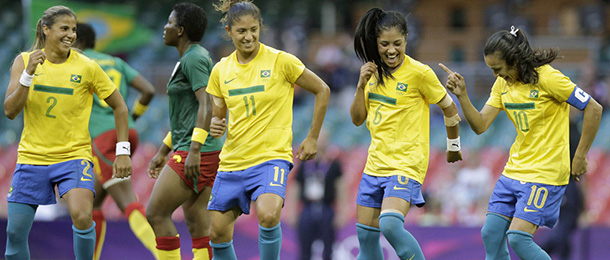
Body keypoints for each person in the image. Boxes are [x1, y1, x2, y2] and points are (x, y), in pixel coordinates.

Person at [440, 26, 603, 260]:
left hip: (544, 174)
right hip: (514, 170)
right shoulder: (502, 84)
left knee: (518, 238)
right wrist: (463, 95)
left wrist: (579, 156)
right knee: (491, 234)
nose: (496, 75)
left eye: (498, 69)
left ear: (515, 60)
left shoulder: (548, 78)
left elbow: (593, 107)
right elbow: (480, 125)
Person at [3, 5, 132, 260]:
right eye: (64, 28)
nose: (71, 35)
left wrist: (123, 152)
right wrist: (28, 76)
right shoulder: (24, 62)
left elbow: (120, 107)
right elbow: (10, 110)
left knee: (83, 216)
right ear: (46, 29)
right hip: (32, 158)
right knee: (15, 234)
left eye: (73, 30)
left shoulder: (87, 66)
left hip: (73, 157)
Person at [206, 1, 331, 259]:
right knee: (217, 233)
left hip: (270, 158)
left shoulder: (281, 61)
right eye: (241, 31)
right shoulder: (220, 71)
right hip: (232, 162)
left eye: (254, 29)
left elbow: (322, 89)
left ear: (260, 27)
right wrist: (216, 125)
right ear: (229, 31)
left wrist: (313, 137)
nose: (249, 36)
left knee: (269, 213)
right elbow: (218, 120)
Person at [350, 7, 462, 260]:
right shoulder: (372, 73)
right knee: (367, 240)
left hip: (405, 165)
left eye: (397, 43)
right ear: (376, 44)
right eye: (385, 44)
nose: (391, 50)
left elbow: (449, 107)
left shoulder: (420, 73)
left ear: (406, 40)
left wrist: (453, 146)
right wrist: (360, 85)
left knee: (390, 225)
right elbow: (357, 120)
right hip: (374, 166)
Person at [73, 22, 157, 260]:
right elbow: (148, 90)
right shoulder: (115, 61)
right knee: (93, 204)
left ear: (77, 43)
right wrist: (134, 116)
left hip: (102, 138)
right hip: (126, 132)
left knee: (126, 200)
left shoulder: (77, 63)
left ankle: (166, 255)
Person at [146, 3, 222, 260]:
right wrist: (163, 150)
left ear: (180, 30)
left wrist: (194, 149)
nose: (164, 27)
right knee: (198, 224)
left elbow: (207, 104)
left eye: (169, 22)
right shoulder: (190, 57)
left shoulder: (194, 58)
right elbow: (186, 116)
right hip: (196, 147)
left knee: (156, 213)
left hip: (198, 150)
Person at [294, 129, 344, 260]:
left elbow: (341, 188)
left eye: (323, 139)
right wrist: (291, 210)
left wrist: (342, 212)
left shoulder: (334, 164)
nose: (320, 142)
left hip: (326, 208)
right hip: (307, 208)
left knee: (328, 248)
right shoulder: (305, 163)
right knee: (304, 248)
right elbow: (296, 186)